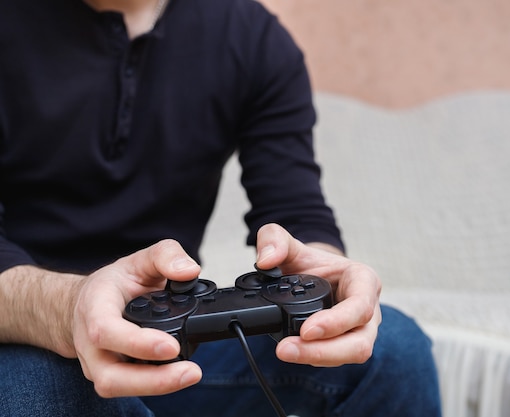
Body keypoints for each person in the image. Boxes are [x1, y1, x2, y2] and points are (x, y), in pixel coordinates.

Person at [0, 0, 442, 416]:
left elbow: (298, 216)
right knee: (41, 393)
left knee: (397, 353)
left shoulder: (251, 36)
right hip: (23, 337)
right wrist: (69, 306)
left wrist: (329, 284)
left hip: (177, 341)